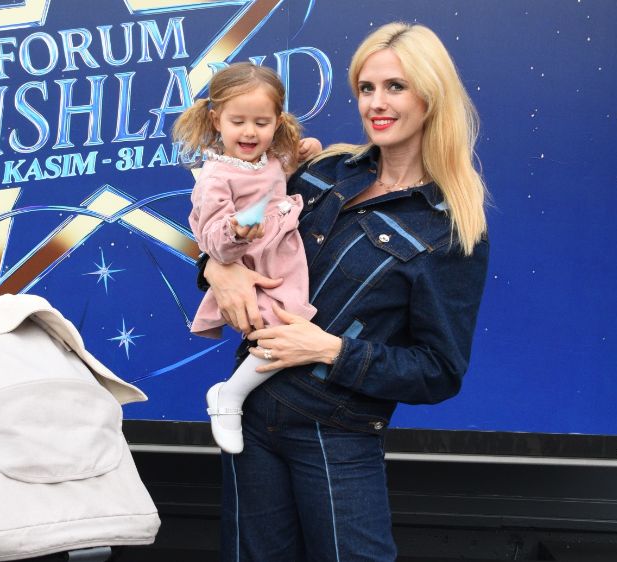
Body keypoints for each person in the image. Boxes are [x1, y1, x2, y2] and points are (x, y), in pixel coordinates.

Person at [198, 22, 490, 561]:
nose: (376, 103)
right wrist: (217, 269)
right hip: (250, 416)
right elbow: (231, 231)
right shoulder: (321, 172)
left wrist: (330, 349)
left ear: (431, 96)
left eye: (396, 87)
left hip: (336, 431)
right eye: (366, 87)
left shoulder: (449, 228)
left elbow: (438, 371)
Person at [173, 62, 322, 454]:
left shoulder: (271, 159)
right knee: (283, 334)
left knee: (290, 335)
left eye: (261, 122)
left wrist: (308, 152)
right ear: (216, 120)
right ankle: (230, 397)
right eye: (238, 121)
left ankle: (236, 396)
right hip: (256, 266)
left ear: (278, 122)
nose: (250, 132)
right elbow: (213, 243)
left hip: (283, 262)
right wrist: (236, 232)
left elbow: (285, 172)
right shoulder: (215, 177)